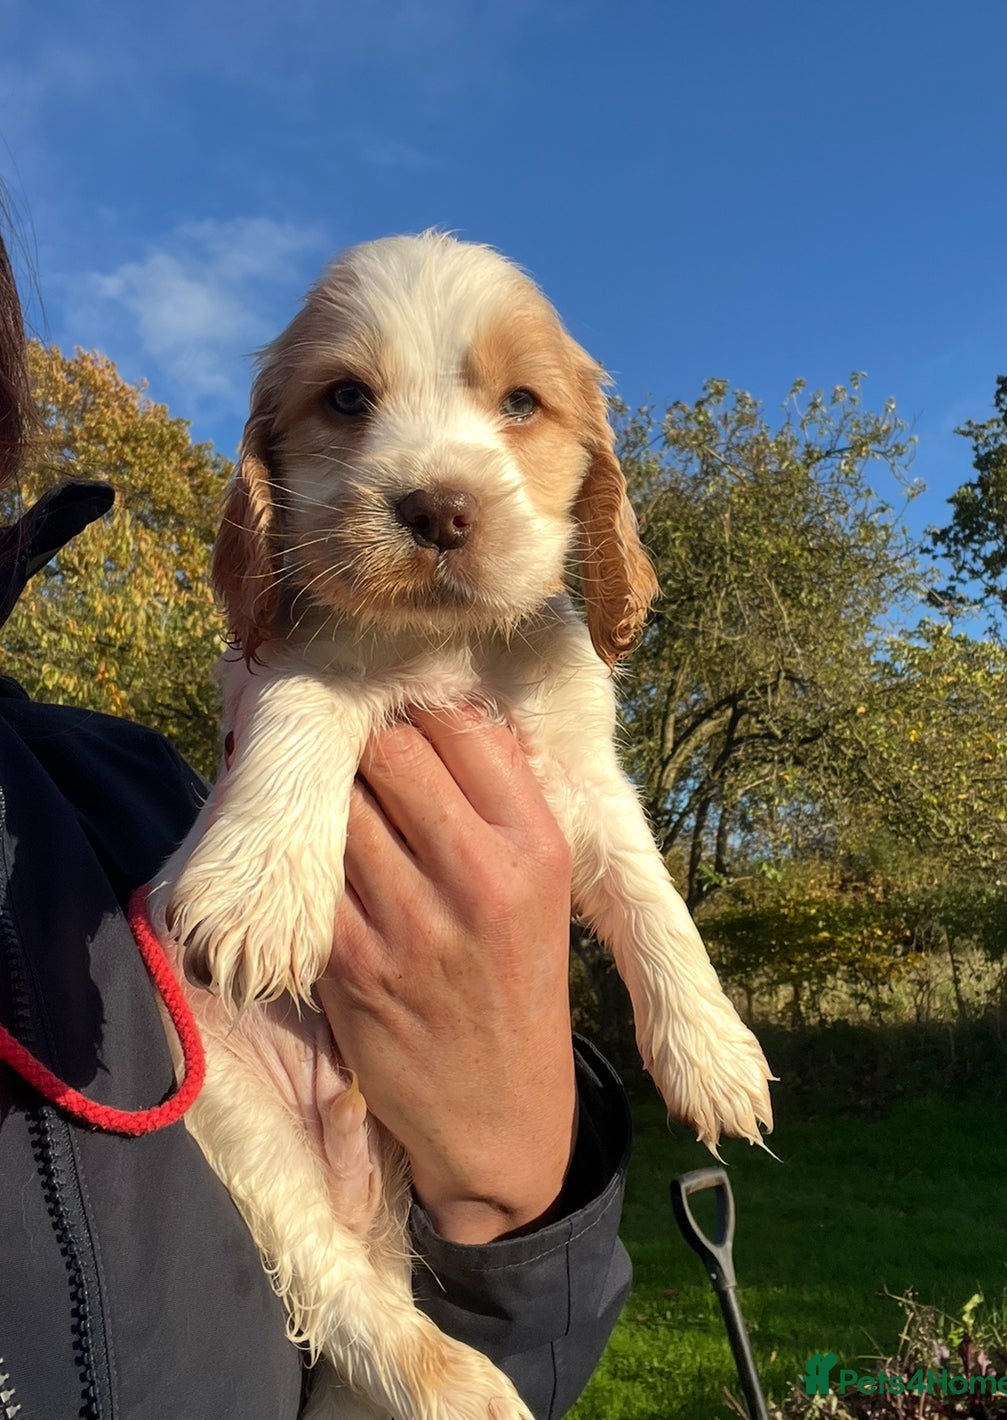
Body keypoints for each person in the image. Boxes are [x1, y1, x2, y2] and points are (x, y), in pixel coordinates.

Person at [0, 220, 631, 1420]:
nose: (440, 474)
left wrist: (520, 1183)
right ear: (267, 469)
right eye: (348, 398)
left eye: (512, 402)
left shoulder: (127, 793)